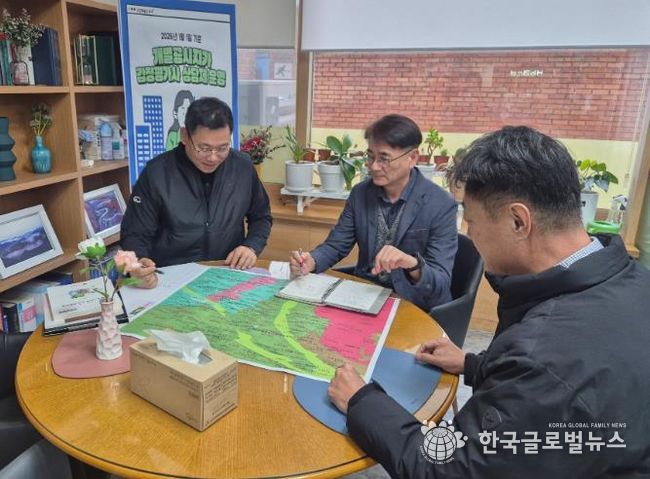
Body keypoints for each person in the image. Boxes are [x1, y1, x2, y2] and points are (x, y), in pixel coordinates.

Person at [327, 126, 650, 477]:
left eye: (471, 220)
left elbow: (446, 469)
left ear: (518, 221)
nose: (469, 232)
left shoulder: (541, 359)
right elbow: (570, 388)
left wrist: (362, 402)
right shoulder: (632, 281)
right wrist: (474, 365)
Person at [289, 114, 458, 312]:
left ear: (412, 157)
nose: (374, 166)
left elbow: (440, 282)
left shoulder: (441, 204)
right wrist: (312, 260)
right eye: (370, 156)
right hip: (365, 296)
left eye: (384, 159)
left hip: (414, 305)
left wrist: (411, 264)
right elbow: (336, 245)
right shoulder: (361, 193)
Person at [121, 97, 272, 287]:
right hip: (170, 279)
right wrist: (138, 264)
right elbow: (135, 233)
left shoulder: (242, 167)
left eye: (222, 148)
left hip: (225, 275)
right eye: (204, 148)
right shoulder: (157, 173)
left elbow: (261, 217)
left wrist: (251, 246)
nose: (213, 157)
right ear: (185, 136)